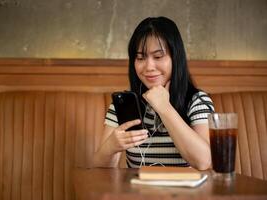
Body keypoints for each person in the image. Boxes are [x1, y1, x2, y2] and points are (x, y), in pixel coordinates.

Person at [92, 16, 214, 170]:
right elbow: (98, 171)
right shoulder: (124, 105)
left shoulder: (197, 101)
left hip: (184, 194)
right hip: (137, 193)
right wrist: (110, 146)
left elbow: (203, 161)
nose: (149, 66)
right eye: (140, 57)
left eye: (158, 56)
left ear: (175, 58)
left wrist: (164, 108)